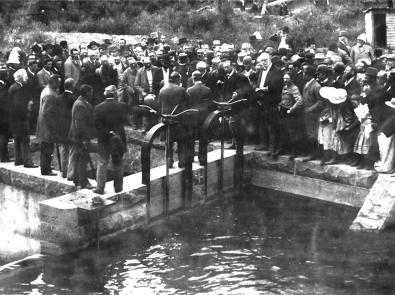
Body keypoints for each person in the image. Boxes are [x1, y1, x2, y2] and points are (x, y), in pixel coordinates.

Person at [93, 85, 127, 194]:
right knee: (118, 162)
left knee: (102, 162)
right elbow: (124, 121)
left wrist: (107, 132)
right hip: (118, 138)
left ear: (105, 94)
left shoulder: (98, 107)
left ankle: (100, 188)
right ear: (115, 94)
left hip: (104, 139)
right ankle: (118, 187)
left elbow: (97, 126)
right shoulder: (121, 106)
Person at [158, 72, 192, 168]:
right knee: (181, 142)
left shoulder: (162, 90)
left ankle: (169, 161)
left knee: (168, 143)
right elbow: (188, 105)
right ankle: (182, 162)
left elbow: (159, 107)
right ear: (178, 80)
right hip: (179, 121)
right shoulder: (182, 90)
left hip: (166, 121)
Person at [253, 53, 284, 156]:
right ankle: (263, 144)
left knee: (272, 126)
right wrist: (257, 89)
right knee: (262, 123)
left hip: (271, 101)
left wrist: (267, 89)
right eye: (262, 61)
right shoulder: (261, 70)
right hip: (261, 101)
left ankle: (272, 147)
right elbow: (258, 83)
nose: (263, 63)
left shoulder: (277, 71)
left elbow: (278, 86)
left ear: (270, 59)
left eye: (265, 60)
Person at [8, 69, 37, 168]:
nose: (27, 78)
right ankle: (27, 161)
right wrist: (26, 111)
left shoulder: (13, 87)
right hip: (21, 119)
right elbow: (18, 105)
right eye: (26, 77)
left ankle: (18, 160)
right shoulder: (19, 89)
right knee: (25, 140)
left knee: (17, 139)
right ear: (20, 78)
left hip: (14, 119)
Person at [69, 84, 96, 189]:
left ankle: (77, 180)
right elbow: (80, 124)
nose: (92, 95)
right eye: (91, 92)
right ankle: (84, 182)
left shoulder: (80, 102)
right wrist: (84, 139)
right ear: (87, 93)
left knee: (78, 158)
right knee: (82, 159)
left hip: (77, 136)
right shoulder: (81, 105)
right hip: (80, 137)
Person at [186, 70, 214, 165]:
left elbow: (187, 105)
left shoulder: (189, 90)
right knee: (203, 138)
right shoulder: (208, 90)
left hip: (193, 117)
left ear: (193, 79)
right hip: (205, 117)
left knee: (191, 138)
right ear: (201, 78)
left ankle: (190, 158)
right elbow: (211, 105)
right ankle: (202, 159)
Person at [36, 74, 61, 176]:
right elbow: (48, 113)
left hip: (44, 125)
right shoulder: (50, 94)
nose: (60, 85)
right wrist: (54, 128)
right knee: (47, 148)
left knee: (47, 148)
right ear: (53, 82)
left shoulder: (48, 90)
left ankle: (46, 166)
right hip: (47, 126)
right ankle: (45, 169)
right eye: (58, 83)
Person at [301, 66, 324, 161]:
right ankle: (310, 152)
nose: (303, 74)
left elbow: (320, 102)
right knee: (308, 133)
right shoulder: (306, 84)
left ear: (310, 75)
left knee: (313, 134)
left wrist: (310, 109)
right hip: (306, 113)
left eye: (305, 73)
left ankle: (314, 154)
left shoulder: (316, 86)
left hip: (313, 114)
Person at [278, 72, 303, 158]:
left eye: (287, 78)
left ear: (291, 79)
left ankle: (294, 151)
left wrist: (291, 109)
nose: (285, 80)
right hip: (283, 111)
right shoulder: (284, 87)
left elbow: (299, 101)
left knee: (292, 133)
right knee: (283, 131)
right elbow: (283, 98)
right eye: (284, 78)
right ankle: (284, 149)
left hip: (290, 113)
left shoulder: (294, 88)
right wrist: (279, 105)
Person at [57, 78, 77, 178]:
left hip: (61, 128)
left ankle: (63, 172)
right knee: (72, 151)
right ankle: (70, 174)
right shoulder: (74, 98)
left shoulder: (58, 97)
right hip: (70, 128)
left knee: (63, 150)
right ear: (72, 86)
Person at [135, 57, 161, 132]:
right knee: (146, 111)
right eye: (146, 64)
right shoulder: (140, 71)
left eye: (149, 63)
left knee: (156, 111)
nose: (148, 65)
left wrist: (156, 92)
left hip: (155, 93)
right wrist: (143, 92)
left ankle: (156, 128)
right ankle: (145, 127)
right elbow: (136, 84)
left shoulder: (156, 69)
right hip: (145, 94)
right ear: (144, 64)